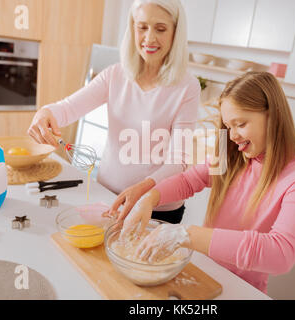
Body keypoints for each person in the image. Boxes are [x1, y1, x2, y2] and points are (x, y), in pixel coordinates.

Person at [117, 71, 295, 294]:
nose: (233, 136)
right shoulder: (233, 155)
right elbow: (189, 180)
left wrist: (186, 234)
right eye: (228, 126)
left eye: (241, 124)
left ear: (273, 116)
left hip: (243, 290)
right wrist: (149, 198)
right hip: (204, 273)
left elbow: (281, 254)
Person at [27, 0, 200, 223]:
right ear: (132, 27)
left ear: (176, 32)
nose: (149, 38)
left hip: (157, 206)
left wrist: (142, 189)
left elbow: (179, 161)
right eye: (142, 27)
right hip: (109, 196)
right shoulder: (115, 75)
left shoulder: (187, 86)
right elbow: (68, 108)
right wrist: (44, 113)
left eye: (160, 29)